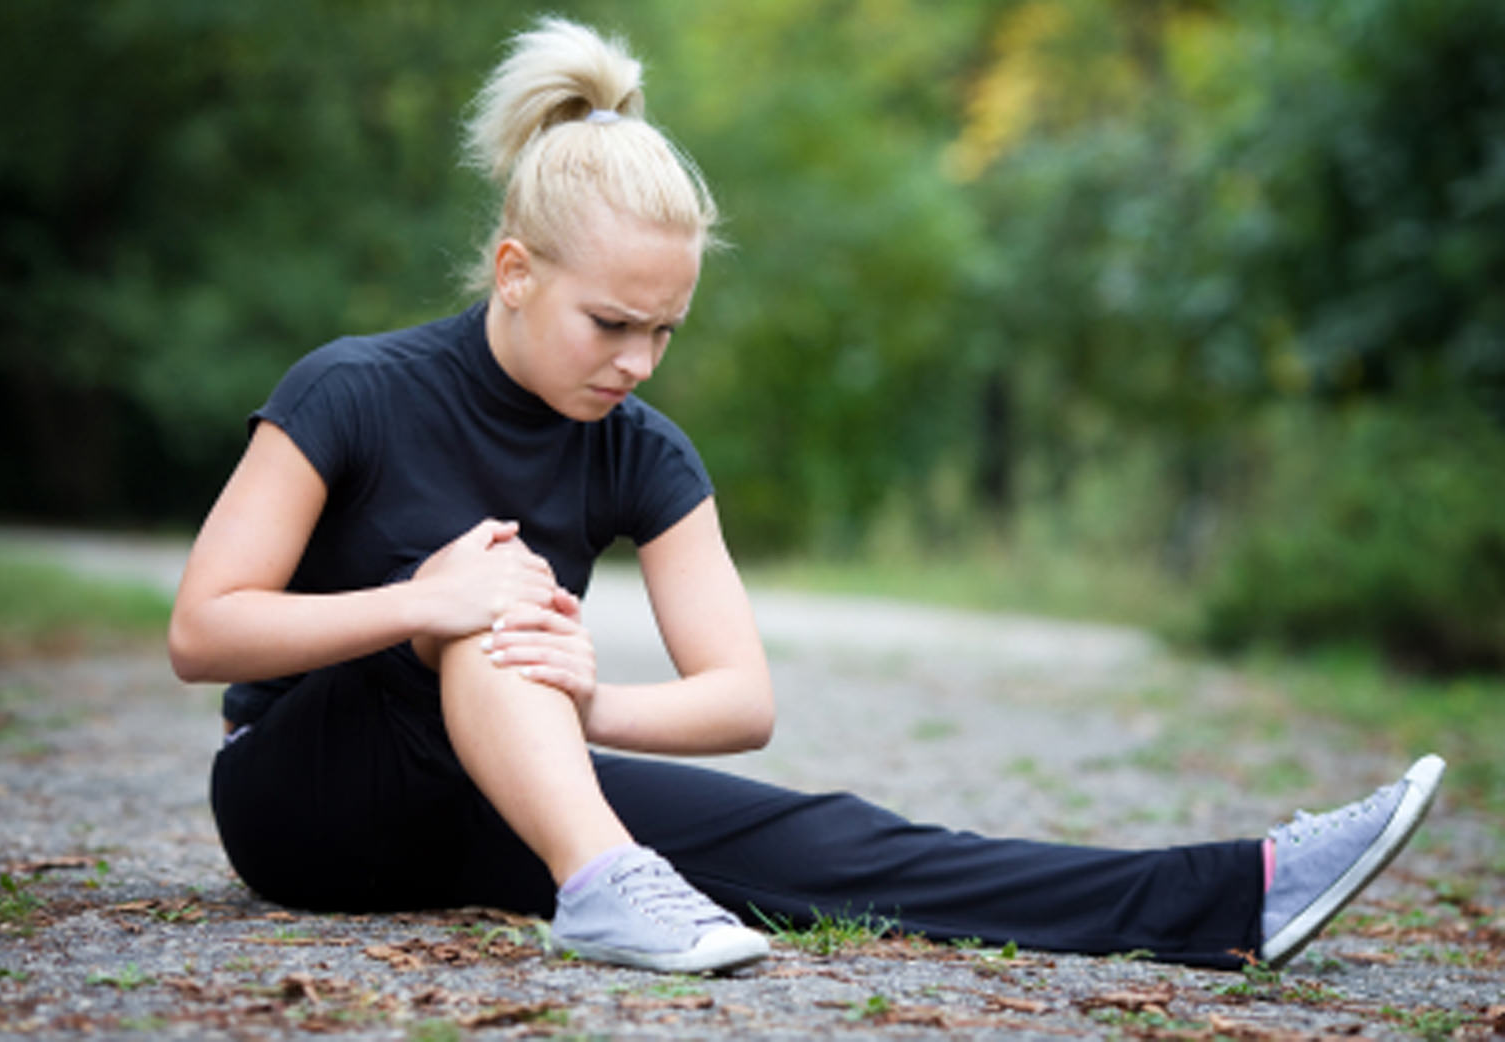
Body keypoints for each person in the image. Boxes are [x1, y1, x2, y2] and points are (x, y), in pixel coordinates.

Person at [169, 17, 1445, 975]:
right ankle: (605, 877)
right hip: (303, 800)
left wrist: (580, 697)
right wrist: (421, 602)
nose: (637, 361)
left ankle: (1236, 893)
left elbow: (742, 700)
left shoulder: (642, 449)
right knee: (495, 604)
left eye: (665, 331)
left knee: (833, 842)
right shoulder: (351, 388)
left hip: (495, 785)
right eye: (611, 323)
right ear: (513, 270)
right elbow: (203, 628)